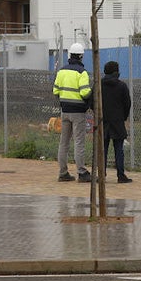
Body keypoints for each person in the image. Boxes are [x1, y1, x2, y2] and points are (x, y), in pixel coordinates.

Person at [53, 43, 92, 183]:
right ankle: (81, 172)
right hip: (78, 112)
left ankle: (63, 172)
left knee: (64, 142)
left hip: (65, 111)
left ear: (70, 55)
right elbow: (85, 92)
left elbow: (55, 91)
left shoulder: (61, 71)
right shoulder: (82, 72)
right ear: (81, 56)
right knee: (79, 142)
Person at [100, 60, 133, 183]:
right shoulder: (122, 86)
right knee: (119, 149)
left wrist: (99, 114)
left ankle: (101, 175)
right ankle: (120, 175)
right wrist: (123, 116)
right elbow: (127, 104)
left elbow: (93, 101)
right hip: (118, 121)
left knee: (102, 149)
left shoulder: (99, 85)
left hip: (103, 121)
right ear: (117, 72)